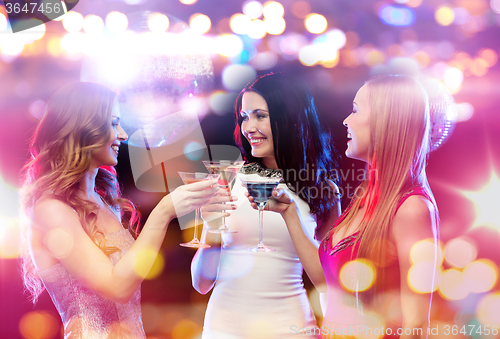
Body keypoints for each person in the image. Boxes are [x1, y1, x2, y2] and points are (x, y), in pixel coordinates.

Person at [19, 82, 218, 339]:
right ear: (83, 128)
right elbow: (117, 287)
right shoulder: (51, 211)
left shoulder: (104, 202)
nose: (123, 134)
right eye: (113, 124)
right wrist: (163, 212)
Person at [251, 74, 440, 339]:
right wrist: (289, 212)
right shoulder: (363, 199)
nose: (346, 121)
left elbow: (416, 325)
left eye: (355, 110)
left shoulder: (412, 208)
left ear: (385, 121)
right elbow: (329, 282)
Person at [191, 72, 342, 338]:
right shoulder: (228, 181)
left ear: (290, 119)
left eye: (260, 115)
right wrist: (213, 227)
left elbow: (328, 282)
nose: (248, 127)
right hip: (224, 330)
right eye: (245, 117)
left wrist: (290, 213)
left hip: (290, 329)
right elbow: (201, 282)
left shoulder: (323, 190)